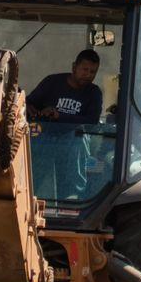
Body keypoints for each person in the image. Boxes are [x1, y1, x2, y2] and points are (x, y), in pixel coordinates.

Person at [27, 50, 104, 201]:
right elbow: (29, 102)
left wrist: (59, 115)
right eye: (85, 69)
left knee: (79, 139)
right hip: (45, 137)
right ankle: (29, 192)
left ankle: (72, 197)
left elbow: (92, 121)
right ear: (74, 67)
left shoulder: (94, 93)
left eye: (93, 72)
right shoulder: (52, 82)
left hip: (73, 142)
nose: (88, 75)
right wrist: (33, 109)